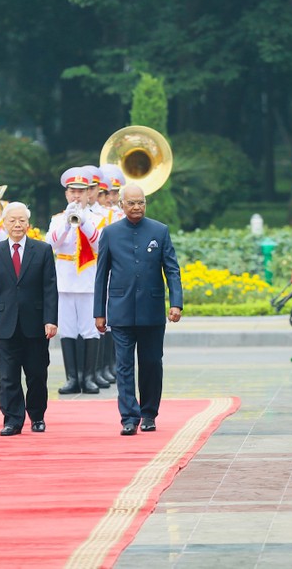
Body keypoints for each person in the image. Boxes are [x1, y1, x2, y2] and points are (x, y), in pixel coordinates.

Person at [94, 183, 183, 436]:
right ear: (121, 205)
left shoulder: (160, 231)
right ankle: (129, 418)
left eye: (141, 202)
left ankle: (149, 413)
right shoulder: (110, 233)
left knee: (151, 363)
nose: (136, 207)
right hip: (120, 310)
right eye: (131, 203)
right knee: (123, 365)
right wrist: (99, 312)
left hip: (152, 310)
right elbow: (101, 275)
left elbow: (172, 270)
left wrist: (176, 303)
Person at [0, 202, 58, 436]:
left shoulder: (42, 250)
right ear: (3, 224)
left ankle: (37, 416)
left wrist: (51, 319)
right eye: (12, 220)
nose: (17, 224)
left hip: (35, 324)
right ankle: (12, 419)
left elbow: (50, 289)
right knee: (8, 376)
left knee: (36, 374)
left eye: (21, 220)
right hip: (5, 324)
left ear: (28, 223)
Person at [47, 167, 102, 395]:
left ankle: (88, 377)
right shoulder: (58, 219)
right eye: (72, 191)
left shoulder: (97, 218)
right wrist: (68, 223)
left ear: (89, 193)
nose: (76, 196)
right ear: (66, 194)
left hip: (89, 280)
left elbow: (100, 244)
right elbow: (50, 243)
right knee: (68, 330)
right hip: (65, 280)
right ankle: (72, 377)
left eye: (81, 191)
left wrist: (84, 221)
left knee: (90, 330)